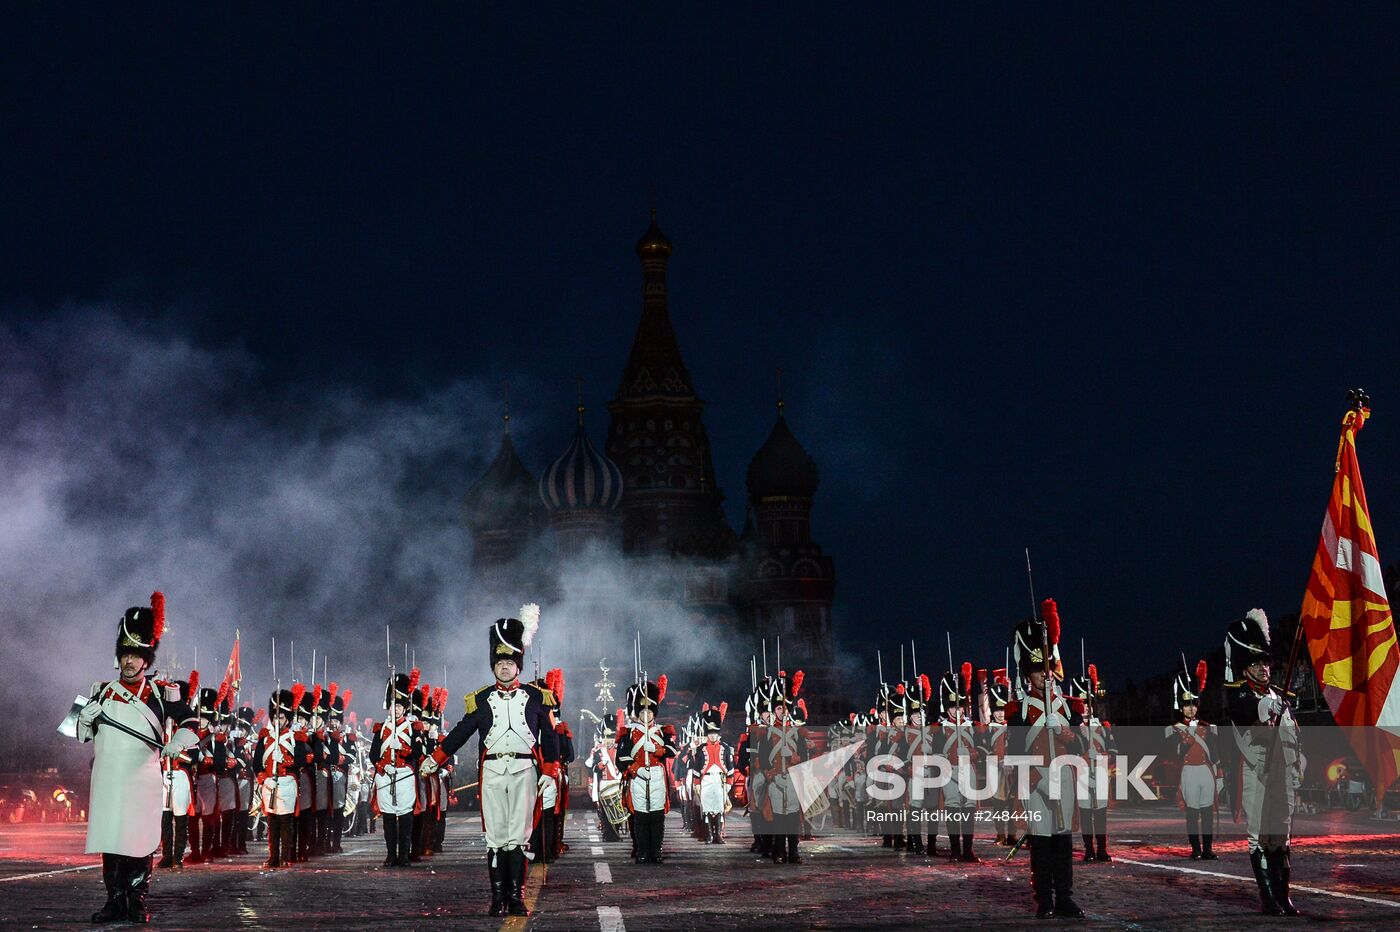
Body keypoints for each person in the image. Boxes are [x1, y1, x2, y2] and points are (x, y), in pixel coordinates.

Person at [420, 607, 560, 917]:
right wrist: (436, 758)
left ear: (518, 666)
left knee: (519, 837)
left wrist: (550, 771)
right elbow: (461, 732)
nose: (505, 668)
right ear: (493, 666)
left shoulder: (537, 698)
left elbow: (550, 739)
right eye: (500, 663)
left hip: (525, 771)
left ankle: (516, 897)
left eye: (510, 662)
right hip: (494, 771)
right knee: (496, 838)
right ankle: (498, 898)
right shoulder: (481, 699)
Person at [76, 592, 199, 924]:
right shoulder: (100, 691)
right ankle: (113, 901)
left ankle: (135, 901)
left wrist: (179, 741)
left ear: (146, 659)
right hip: (108, 778)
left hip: (142, 778)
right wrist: (83, 718)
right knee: (112, 840)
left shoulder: (161, 692)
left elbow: (191, 721)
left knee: (139, 840)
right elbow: (77, 732)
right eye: (124, 655)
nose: (129, 662)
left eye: (135, 656)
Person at [1007, 600, 1084, 920]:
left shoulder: (1070, 708)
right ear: (1029, 672)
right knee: (1041, 842)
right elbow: (1015, 751)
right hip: (1037, 779)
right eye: (1038, 669)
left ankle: (1065, 896)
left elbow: (1081, 747)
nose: (1045, 675)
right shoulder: (1019, 710)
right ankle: (1044, 899)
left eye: (1048, 668)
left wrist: (1065, 732)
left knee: (1063, 841)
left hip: (1064, 777)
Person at [1225, 608, 1303, 917]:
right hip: (1256, 771)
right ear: (1245, 668)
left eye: (1265, 662)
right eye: (1256, 663)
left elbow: (1292, 735)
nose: (1263, 668)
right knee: (1258, 836)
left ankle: (1284, 896)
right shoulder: (1241, 697)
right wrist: (1269, 705)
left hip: (1281, 772)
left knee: (1281, 835)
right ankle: (1267, 897)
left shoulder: (1280, 697)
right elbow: (1247, 713)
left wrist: (1298, 763)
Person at [617, 676, 677, 865]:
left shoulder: (662, 731)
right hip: (638, 777)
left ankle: (656, 851)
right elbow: (622, 758)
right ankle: (643, 851)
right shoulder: (628, 733)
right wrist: (636, 770)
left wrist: (658, 750)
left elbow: (672, 751)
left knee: (657, 816)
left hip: (657, 776)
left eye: (649, 712)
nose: (646, 716)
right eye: (642, 712)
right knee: (641, 816)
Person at [754, 671, 809, 864]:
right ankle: (779, 851)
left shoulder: (797, 732)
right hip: (775, 778)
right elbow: (762, 756)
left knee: (793, 817)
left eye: (783, 709)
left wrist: (796, 758)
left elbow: (805, 756)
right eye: (778, 709)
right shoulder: (768, 733)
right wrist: (769, 773)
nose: (781, 712)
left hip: (793, 778)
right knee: (778, 817)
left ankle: (793, 851)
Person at [1167, 660, 1220, 860]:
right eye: (1187, 706)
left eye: (1193, 705)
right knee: (1192, 813)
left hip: (1205, 771)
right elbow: (1178, 752)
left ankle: (1208, 848)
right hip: (1188, 771)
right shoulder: (1174, 729)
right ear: (1181, 708)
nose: (1191, 709)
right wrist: (1189, 732)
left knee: (1207, 812)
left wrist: (1219, 774)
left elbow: (1214, 754)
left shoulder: (1207, 726)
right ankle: (1195, 849)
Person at [373, 670, 426, 868]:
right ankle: (390, 855)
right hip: (386, 774)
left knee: (405, 818)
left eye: (399, 706)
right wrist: (383, 765)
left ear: (404, 709)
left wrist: (402, 748)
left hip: (405, 775)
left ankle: (403, 855)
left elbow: (418, 752)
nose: (395, 710)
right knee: (388, 818)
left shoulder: (413, 728)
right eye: (393, 706)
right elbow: (373, 755)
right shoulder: (381, 728)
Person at [252, 686, 309, 869]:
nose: (278, 720)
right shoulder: (265, 736)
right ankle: (273, 857)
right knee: (272, 822)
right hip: (269, 782)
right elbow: (256, 763)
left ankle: (285, 856)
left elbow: (300, 761)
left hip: (287, 782)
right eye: (275, 717)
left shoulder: (295, 737)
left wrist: (284, 760)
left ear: (287, 718)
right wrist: (263, 779)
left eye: (282, 717)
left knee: (286, 822)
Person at [1070, 664, 1116, 863]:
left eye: (1089, 703)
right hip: (1081, 776)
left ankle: (1102, 849)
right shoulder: (1073, 729)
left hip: (1100, 775)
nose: (1086, 707)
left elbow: (1114, 752)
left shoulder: (1103, 727)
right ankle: (1089, 849)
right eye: (1083, 704)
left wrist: (1101, 756)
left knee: (1100, 815)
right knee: (1086, 814)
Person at [157, 670, 201, 871]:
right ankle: (166, 855)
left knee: (180, 817)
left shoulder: (187, 728)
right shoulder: (161, 726)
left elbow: (192, 756)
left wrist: (176, 753)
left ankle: (178, 856)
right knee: (165, 817)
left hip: (180, 775)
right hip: (162, 774)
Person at [938, 664, 982, 862]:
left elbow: (983, 749)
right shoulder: (940, 728)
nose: (956, 711)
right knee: (953, 807)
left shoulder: (972, 726)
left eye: (960, 707)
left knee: (969, 808)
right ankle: (955, 850)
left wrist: (973, 753)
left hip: (968, 769)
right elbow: (935, 753)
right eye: (953, 707)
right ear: (947, 708)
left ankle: (968, 850)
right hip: (950, 772)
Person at [692, 703, 734, 843]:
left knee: (720, 809)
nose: (712, 736)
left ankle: (719, 835)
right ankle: (709, 834)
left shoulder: (726, 748)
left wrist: (728, 784)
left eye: (715, 733)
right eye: (710, 733)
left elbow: (730, 768)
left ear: (718, 734)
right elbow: (697, 769)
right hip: (706, 782)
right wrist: (697, 784)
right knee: (707, 809)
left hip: (720, 781)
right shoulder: (701, 749)